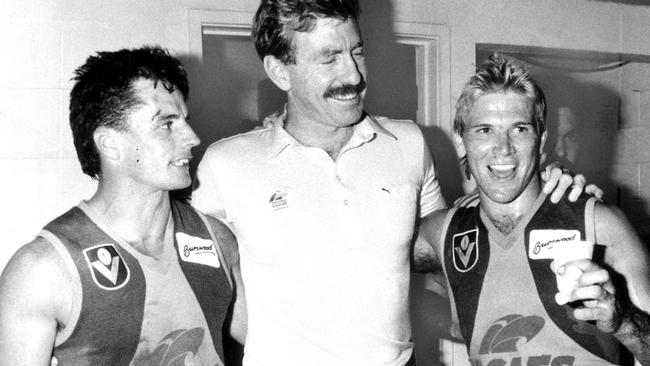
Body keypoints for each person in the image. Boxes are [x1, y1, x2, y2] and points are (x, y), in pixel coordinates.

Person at [192, 1, 591, 364]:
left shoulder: (409, 143)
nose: (353, 74)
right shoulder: (227, 164)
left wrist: (543, 193)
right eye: (329, 58)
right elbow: (197, 282)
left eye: (357, 52)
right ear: (280, 71)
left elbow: (448, 252)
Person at [0, 46, 246, 366]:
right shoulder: (43, 269)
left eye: (185, 120)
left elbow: (278, 339)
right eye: (167, 124)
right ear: (111, 144)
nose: (192, 137)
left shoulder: (218, 240)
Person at [419, 55, 650, 365]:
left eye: (519, 129)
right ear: (461, 142)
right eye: (484, 130)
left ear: (541, 141)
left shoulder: (600, 223)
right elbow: (362, 260)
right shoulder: (445, 232)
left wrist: (622, 321)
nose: (503, 148)